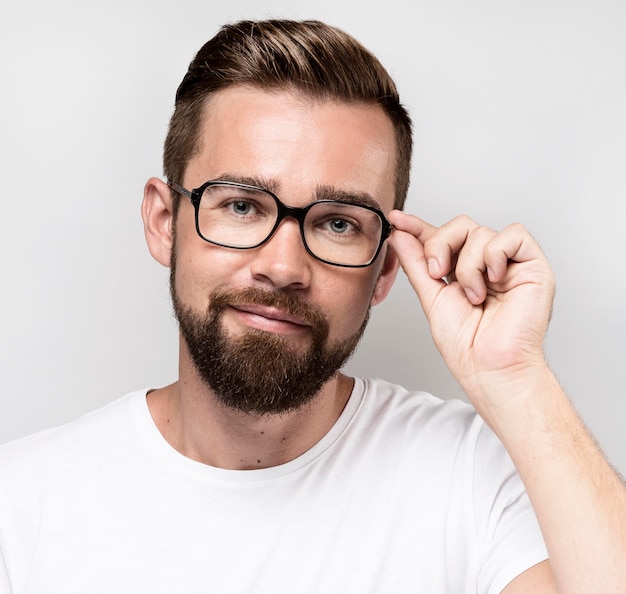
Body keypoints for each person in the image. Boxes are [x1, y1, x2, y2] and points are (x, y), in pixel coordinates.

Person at [0, 18, 624, 594]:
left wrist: (516, 379)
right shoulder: (23, 502)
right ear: (166, 222)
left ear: (384, 270)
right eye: (242, 205)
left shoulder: (471, 475)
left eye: (337, 225)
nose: (284, 267)